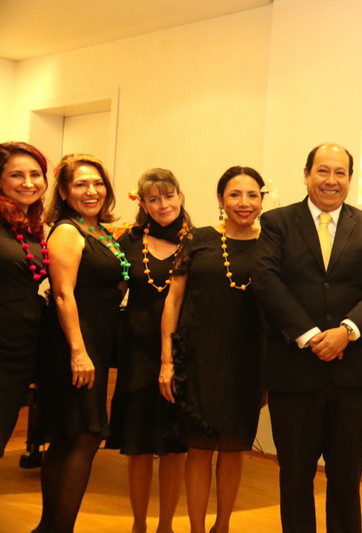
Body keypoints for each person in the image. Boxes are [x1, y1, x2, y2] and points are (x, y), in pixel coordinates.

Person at [252, 143, 362, 533]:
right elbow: (266, 281)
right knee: (295, 477)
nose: (332, 180)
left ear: (350, 178)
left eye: (340, 172)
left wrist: (347, 331)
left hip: (355, 377)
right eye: (323, 171)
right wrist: (312, 335)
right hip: (294, 373)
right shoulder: (278, 222)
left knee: (346, 480)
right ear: (307, 174)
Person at [160, 166, 266, 533]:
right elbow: (173, 301)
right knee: (199, 449)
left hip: (246, 362)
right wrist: (167, 361)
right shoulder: (198, 239)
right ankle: (196, 529)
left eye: (252, 195)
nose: (244, 202)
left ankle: (222, 526)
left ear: (262, 200)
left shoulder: (271, 244)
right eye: (235, 194)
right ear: (221, 199)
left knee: (234, 448)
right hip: (198, 359)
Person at [36, 153, 127, 532]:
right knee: (82, 435)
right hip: (74, 345)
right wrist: (77, 351)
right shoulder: (68, 231)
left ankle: (48, 528)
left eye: (98, 183)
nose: (92, 191)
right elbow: (62, 294)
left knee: (71, 437)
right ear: (63, 191)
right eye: (81, 184)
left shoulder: (99, 230)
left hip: (96, 345)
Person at [106, 168, 191, 533]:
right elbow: (111, 291)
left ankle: (166, 526)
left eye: (169, 196)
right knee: (138, 444)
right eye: (153, 199)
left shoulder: (196, 241)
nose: (163, 204)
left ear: (180, 197)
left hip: (182, 353)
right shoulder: (128, 240)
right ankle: (138, 525)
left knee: (175, 446)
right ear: (142, 203)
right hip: (137, 353)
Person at [0, 142, 49, 457]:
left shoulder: (30, 227)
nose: (28, 183)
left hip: (18, 349)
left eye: (35, 174)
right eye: (17, 175)